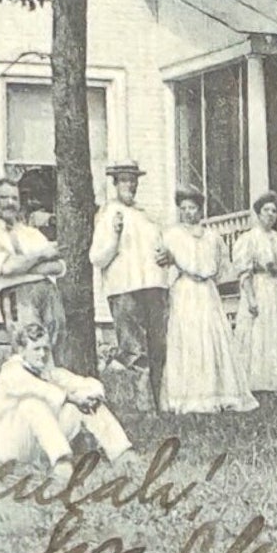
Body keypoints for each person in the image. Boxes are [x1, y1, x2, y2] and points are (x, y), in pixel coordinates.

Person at [157, 186, 256, 414]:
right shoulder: (172, 235)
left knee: (210, 336)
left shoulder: (212, 237)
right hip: (184, 291)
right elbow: (162, 265)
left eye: (192, 208)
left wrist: (209, 276)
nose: (188, 213)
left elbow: (223, 268)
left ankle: (217, 393)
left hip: (207, 292)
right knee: (189, 337)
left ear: (200, 209)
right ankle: (188, 396)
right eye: (183, 209)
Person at [0, 322, 132, 472]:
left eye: (45, 348)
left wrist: (93, 396)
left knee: (84, 406)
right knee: (33, 404)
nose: (42, 354)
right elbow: (43, 390)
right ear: (22, 350)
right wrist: (75, 398)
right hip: (6, 446)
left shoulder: (47, 372)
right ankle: (63, 464)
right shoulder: (11, 370)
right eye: (36, 349)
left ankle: (123, 455)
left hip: (35, 445)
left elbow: (84, 383)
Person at [88, 161, 168, 409]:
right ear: (115, 183)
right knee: (134, 349)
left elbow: (161, 249)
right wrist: (114, 234)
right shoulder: (107, 215)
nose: (130, 185)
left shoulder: (146, 216)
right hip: (124, 289)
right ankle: (144, 407)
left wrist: (167, 256)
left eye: (133, 180)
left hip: (153, 286)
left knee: (159, 346)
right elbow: (97, 258)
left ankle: (160, 402)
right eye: (124, 180)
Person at [234, 192, 277, 392]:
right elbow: (244, 272)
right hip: (259, 286)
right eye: (266, 210)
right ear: (258, 213)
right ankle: (256, 381)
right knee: (257, 331)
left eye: (274, 211)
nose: (270, 215)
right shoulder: (249, 238)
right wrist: (250, 298)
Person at [0, 177, 66, 347]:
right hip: (18, 295)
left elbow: (58, 266)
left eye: (15, 198)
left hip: (48, 293)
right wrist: (40, 257)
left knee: (55, 347)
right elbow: (6, 268)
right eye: (4, 198)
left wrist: (23, 265)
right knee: (28, 347)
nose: (10, 203)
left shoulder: (31, 233)